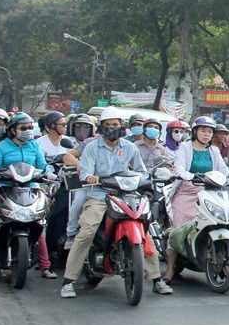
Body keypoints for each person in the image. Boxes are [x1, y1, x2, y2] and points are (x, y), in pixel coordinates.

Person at [60, 108, 172, 298]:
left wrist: (146, 179)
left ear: (122, 127)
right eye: (108, 125)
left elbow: (141, 171)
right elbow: (85, 172)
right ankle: (69, 281)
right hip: (99, 195)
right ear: (102, 127)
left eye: (115, 125)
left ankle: (156, 279)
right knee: (87, 231)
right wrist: (90, 178)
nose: (112, 128)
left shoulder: (130, 147)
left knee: (146, 231)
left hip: (126, 194)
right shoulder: (91, 147)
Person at [0, 112, 56, 278]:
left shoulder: (34, 145)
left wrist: (49, 174)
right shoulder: (3, 146)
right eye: (23, 128)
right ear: (12, 130)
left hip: (30, 188)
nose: (28, 131)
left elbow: (43, 166)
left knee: (39, 223)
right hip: (6, 187)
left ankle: (45, 266)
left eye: (30, 127)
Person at [163, 116, 229, 283]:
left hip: (210, 191)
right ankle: (169, 271)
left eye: (210, 131)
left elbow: (223, 169)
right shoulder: (185, 148)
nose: (207, 134)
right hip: (187, 192)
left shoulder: (214, 150)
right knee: (177, 228)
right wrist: (190, 176)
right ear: (195, 132)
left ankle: (228, 264)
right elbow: (179, 168)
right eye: (203, 130)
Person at [35, 111, 70, 262]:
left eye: (65, 124)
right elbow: (38, 163)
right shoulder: (38, 143)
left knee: (64, 214)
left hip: (65, 184)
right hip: (43, 184)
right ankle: (43, 252)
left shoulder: (68, 142)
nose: (65, 127)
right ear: (51, 126)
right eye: (62, 124)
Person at [62, 114, 99, 242]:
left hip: (111, 186)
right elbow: (67, 157)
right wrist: (80, 165)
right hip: (88, 184)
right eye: (107, 126)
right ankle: (71, 233)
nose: (82, 130)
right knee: (79, 201)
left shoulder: (124, 145)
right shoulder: (89, 143)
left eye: (114, 126)